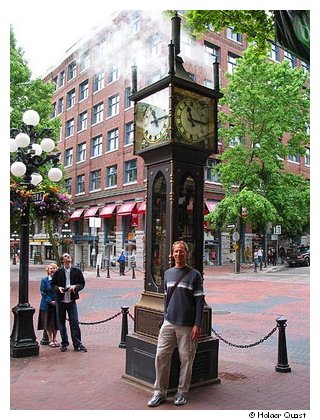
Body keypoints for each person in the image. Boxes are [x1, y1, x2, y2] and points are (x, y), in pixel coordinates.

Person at [147, 240, 204, 408]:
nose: (179, 254)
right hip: (169, 322)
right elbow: (166, 298)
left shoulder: (194, 275)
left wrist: (197, 324)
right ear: (172, 254)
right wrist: (165, 316)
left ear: (187, 254)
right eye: (176, 251)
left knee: (186, 359)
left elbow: (200, 301)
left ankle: (182, 392)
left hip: (187, 325)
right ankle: (159, 393)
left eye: (182, 251)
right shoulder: (168, 274)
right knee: (161, 356)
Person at [51, 253, 87, 352]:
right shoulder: (58, 272)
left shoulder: (76, 270)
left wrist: (75, 287)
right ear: (62, 260)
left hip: (71, 300)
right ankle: (64, 343)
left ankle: (77, 344)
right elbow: (53, 285)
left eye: (69, 256)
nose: (68, 257)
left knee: (74, 322)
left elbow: (82, 283)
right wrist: (59, 289)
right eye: (66, 256)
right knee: (61, 323)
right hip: (60, 301)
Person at [37, 263, 59, 348]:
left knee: (56, 322)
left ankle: (55, 338)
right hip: (47, 305)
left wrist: (58, 301)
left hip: (56, 304)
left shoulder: (58, 281)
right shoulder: (44, 280)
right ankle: (50, 340)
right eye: (51, 269)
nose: (53, 270)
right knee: (48, 323)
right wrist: (50, 301)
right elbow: (43, 292)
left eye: (54, 268)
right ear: (48, 271)